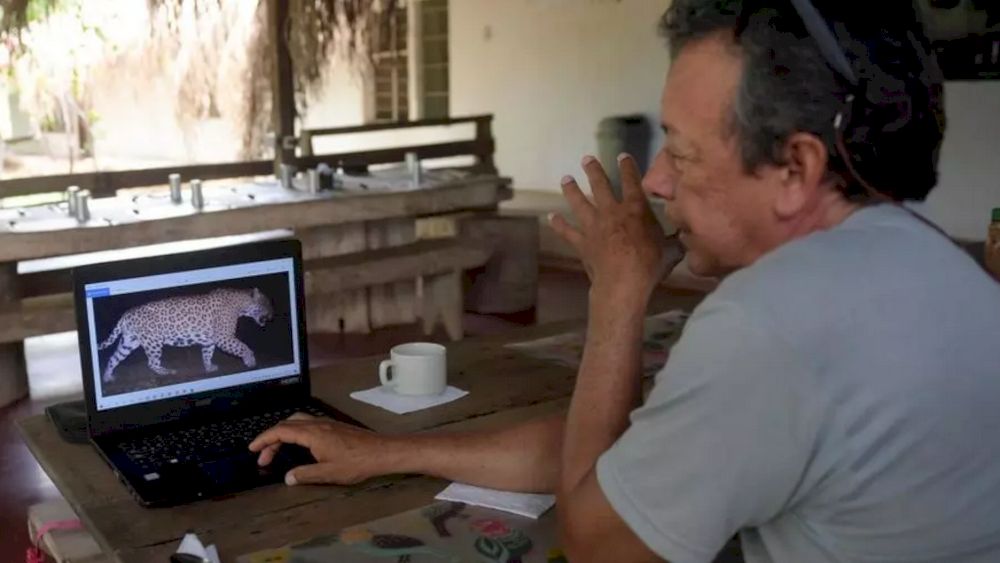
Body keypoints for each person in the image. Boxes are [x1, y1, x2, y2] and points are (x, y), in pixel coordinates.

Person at [250, 1, 1000, 561]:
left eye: (683, 150)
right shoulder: (945, 271)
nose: (662, 181)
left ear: (797, 169)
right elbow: (622, 447)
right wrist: (385, 452)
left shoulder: (768, 323)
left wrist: (616, 291)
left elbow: (598, 542)